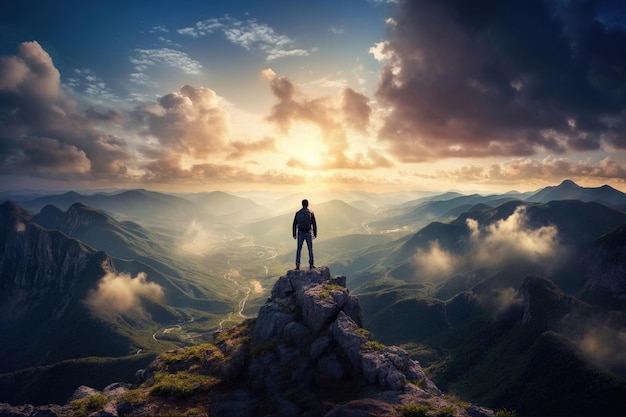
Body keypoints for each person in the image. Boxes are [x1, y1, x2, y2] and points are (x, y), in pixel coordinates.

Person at [292, 199, 317, 270]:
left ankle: (297, 265)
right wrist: (315, 233)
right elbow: (314, 224)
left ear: (302, 204)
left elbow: (294, 224)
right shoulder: (311, 213)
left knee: (299, 249)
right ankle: (311, 265)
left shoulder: (298, 213)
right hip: (308, 232)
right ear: (307, 204)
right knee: (310, 249)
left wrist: (294, 234)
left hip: (300, 233)